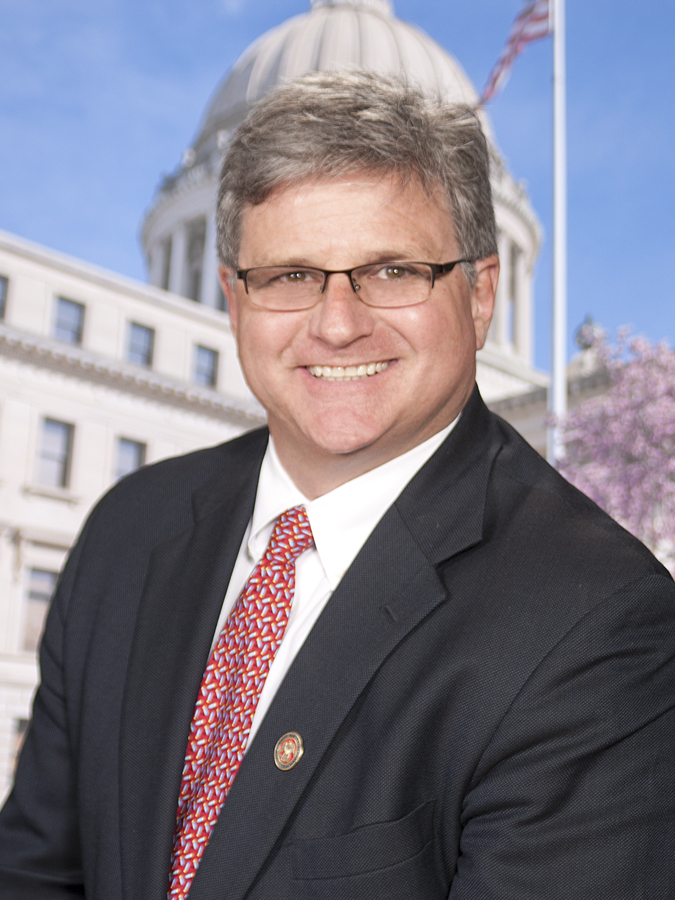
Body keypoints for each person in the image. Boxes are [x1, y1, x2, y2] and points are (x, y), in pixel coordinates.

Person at [1, 70, 674, 900]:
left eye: (391, 270)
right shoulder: (129, 529)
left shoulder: (598, 622)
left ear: (480, 292)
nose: (337, 321)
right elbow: (35, 870)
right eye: (289, 275)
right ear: (233, 298)